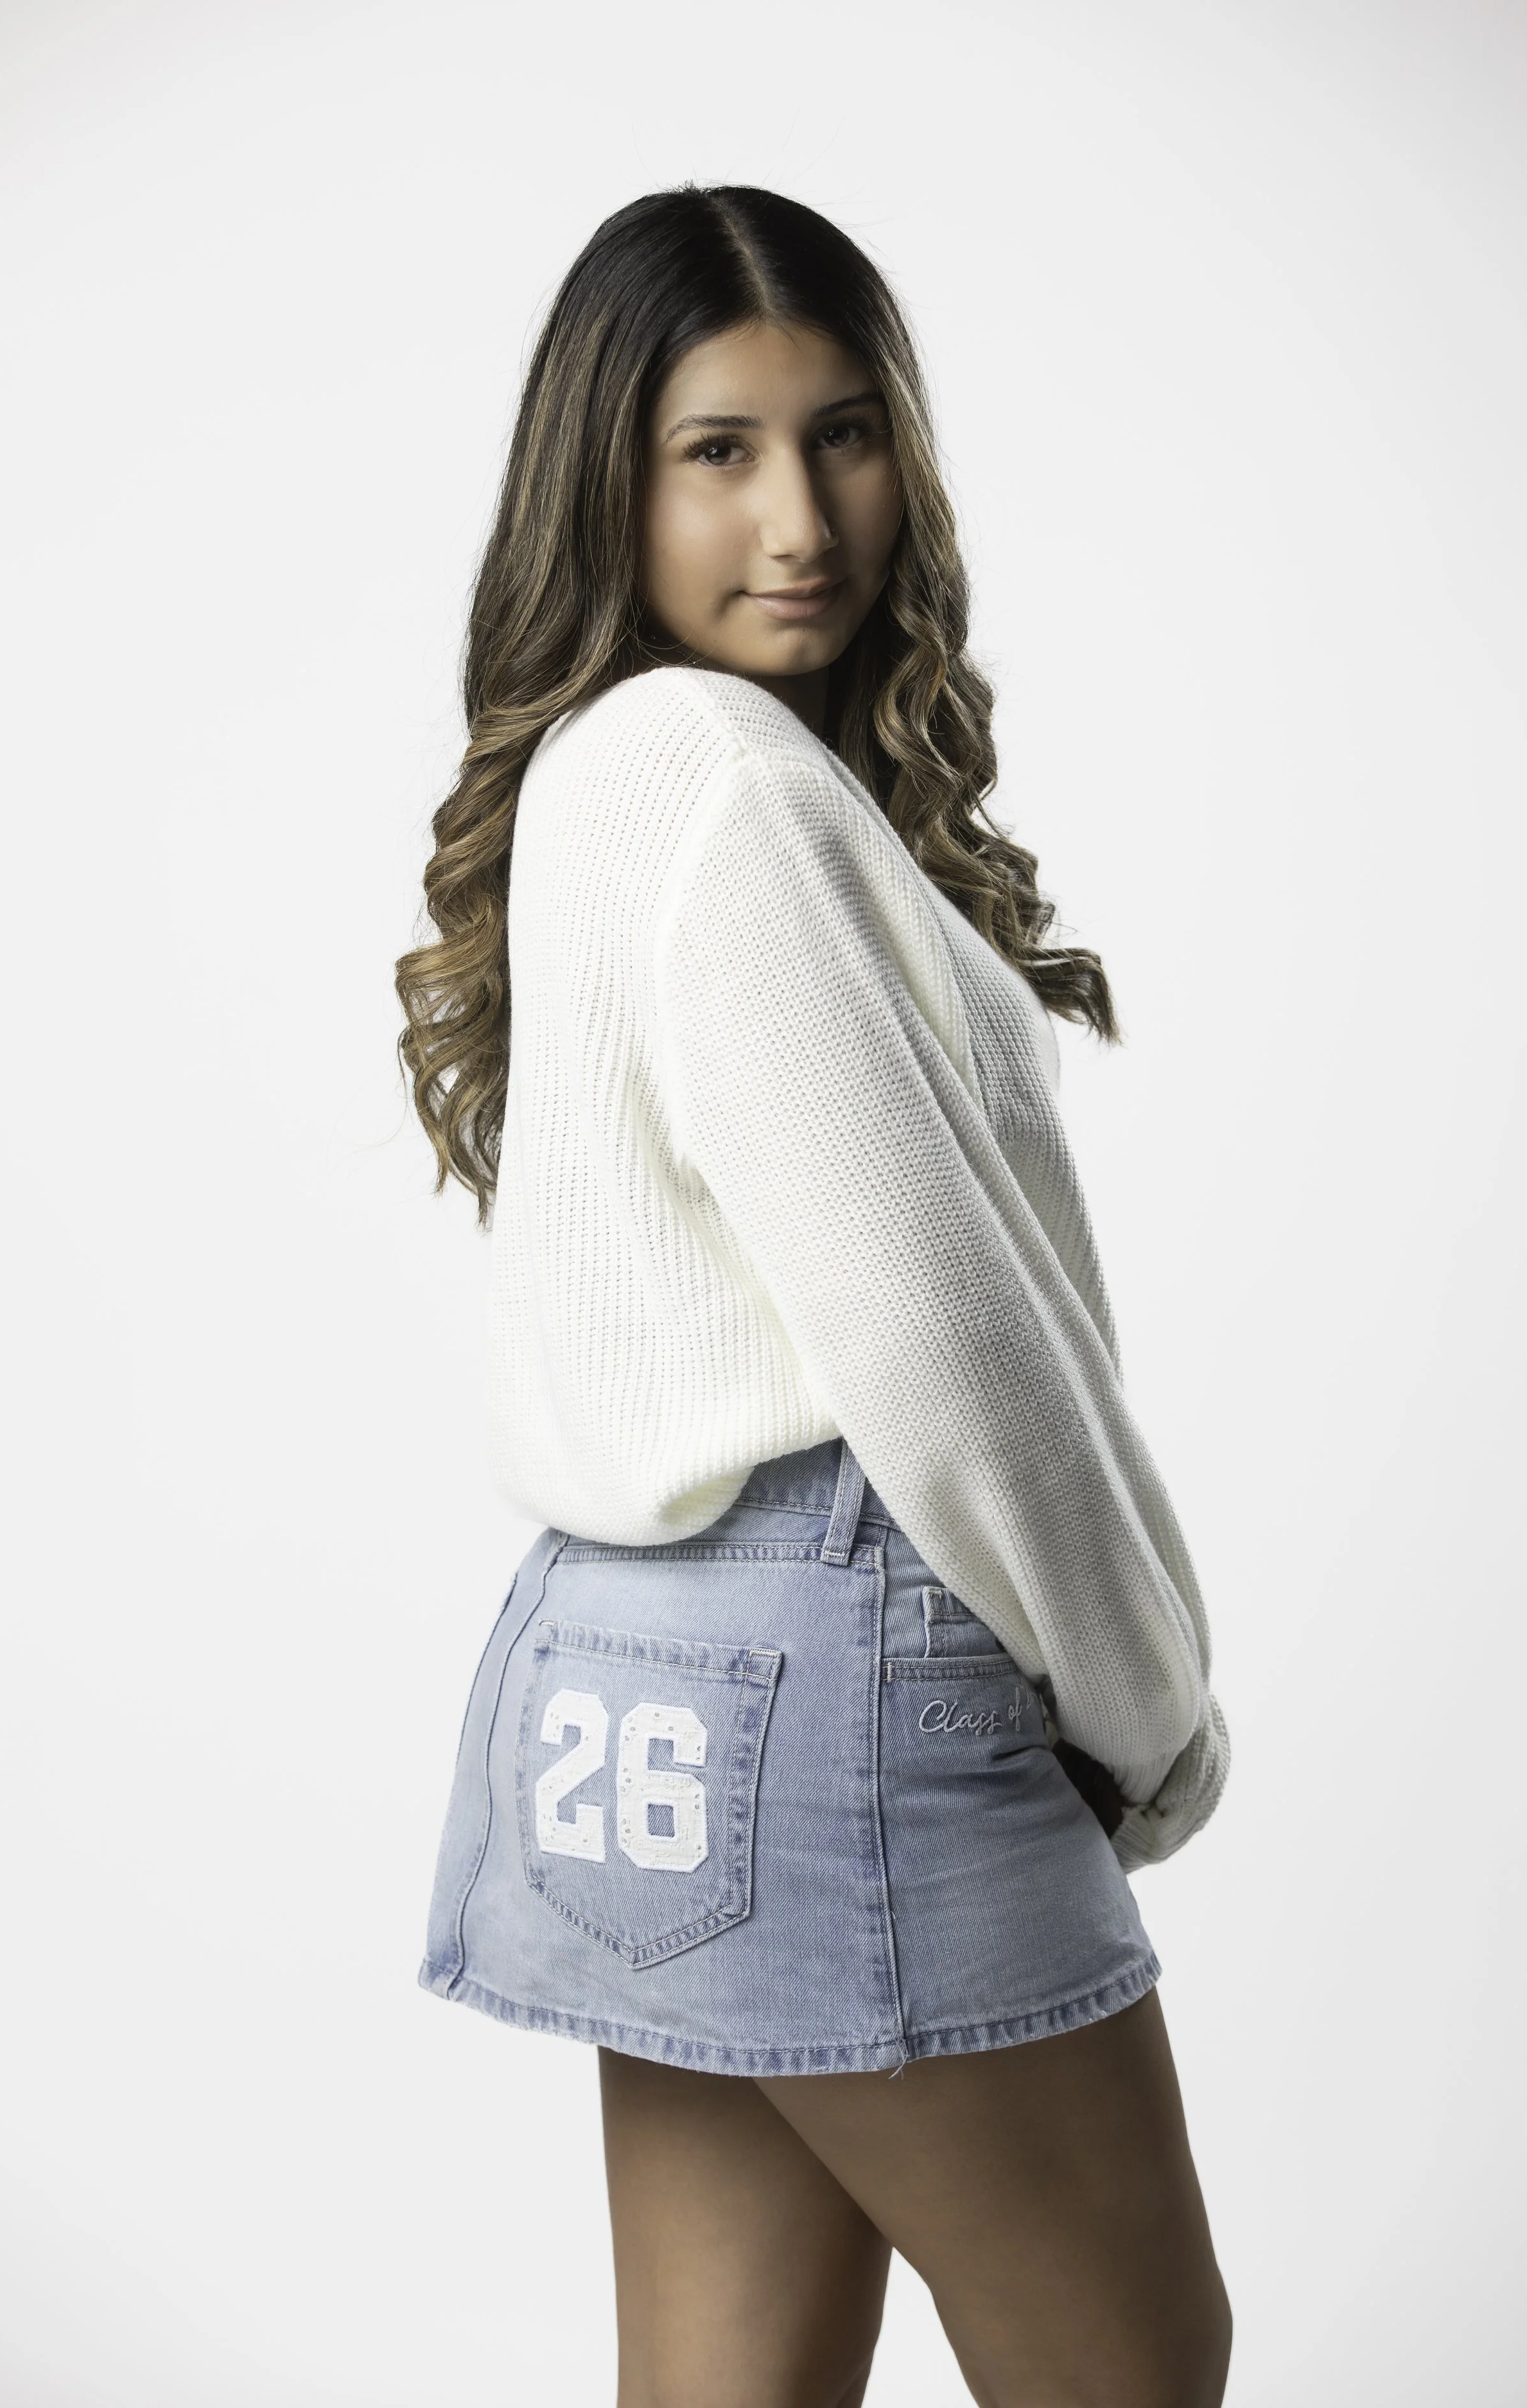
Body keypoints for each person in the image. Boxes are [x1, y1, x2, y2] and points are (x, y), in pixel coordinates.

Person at [395, 182, 1234, 2408]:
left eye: (842, 434)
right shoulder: (724, 783)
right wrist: (1146, 1709)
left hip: (612, 1692)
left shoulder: (603, 775)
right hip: (838, 1668)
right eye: (717, 450)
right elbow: (941, 1342)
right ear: (604, 482)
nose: (799, 516)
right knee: (1133, 2366)